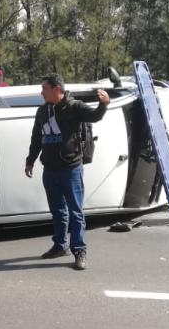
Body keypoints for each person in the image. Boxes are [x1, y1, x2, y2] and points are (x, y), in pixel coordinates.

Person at [25, 74, 110, 270]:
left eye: (44, 88)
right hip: (50, 169)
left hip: (71, 169)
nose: (41, 92)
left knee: (75, 212)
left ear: (57, 89)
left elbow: (95, 116)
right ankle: (59, 245)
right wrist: (30, 161)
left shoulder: (74, 107)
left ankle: (79, 250)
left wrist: (104, 104)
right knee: (57, 211)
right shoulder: (42, 111)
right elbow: (36, 138)